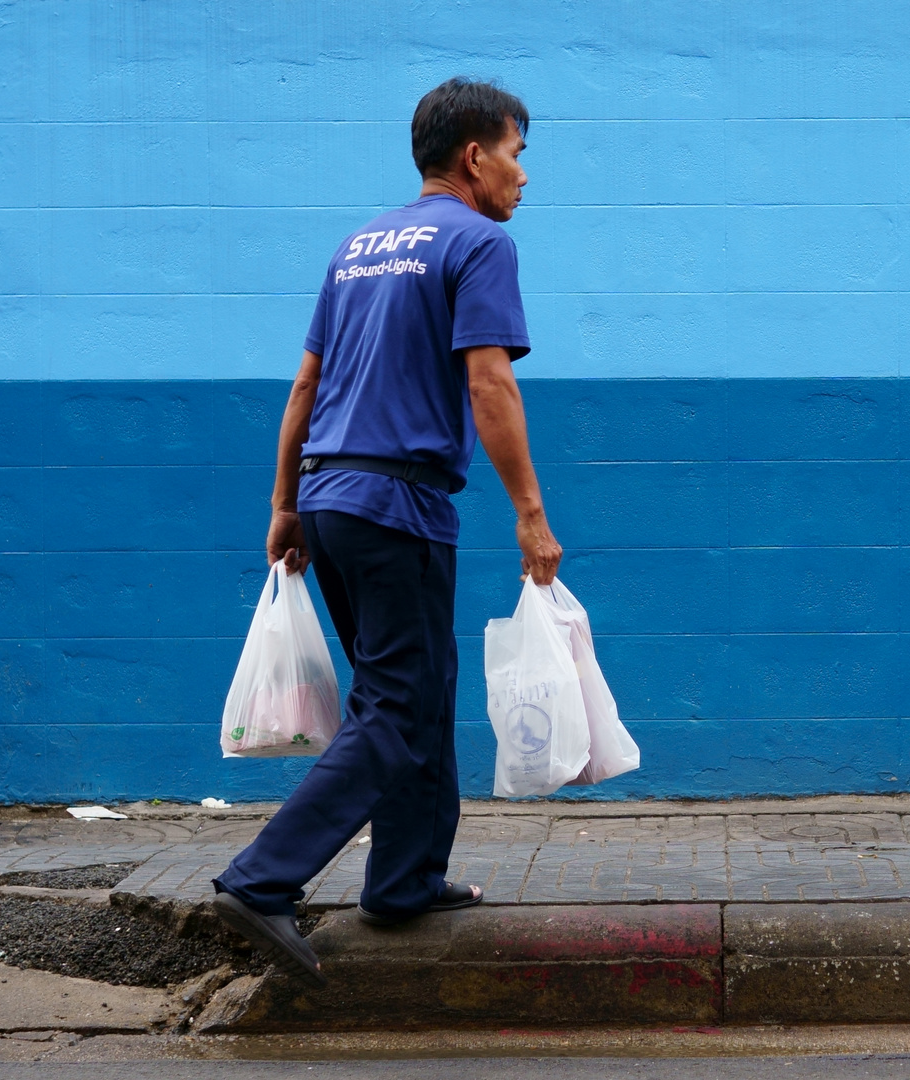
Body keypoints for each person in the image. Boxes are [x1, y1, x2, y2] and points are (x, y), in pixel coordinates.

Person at [210, 78, 561, 987]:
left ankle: (405, 880)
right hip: (397, 503)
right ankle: (260, 880)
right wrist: (530, 512)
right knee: (399, 707)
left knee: (416, 690)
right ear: (474, 157)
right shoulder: (479, 244)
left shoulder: (359, 247)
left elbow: (302, 388)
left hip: (330, 496)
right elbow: (490, 386)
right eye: (517, 155)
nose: (524, 176)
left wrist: (286, 505)